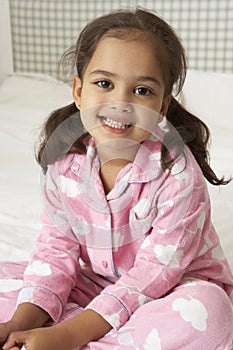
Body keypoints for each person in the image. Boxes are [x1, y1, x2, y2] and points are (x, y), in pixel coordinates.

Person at [0, 7, 233, 350]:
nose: (120, 102)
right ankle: (47, 335)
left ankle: (71, 338)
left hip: (168, 290)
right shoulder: (65, 160)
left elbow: (152, 276)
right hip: (95, 283)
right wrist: (19, 322)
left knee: (210, 316)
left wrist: (68, 334)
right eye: (104, 84)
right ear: (78, 91)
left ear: (163, 106)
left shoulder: (179, 176)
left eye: (142, 91)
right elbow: (56, 249)